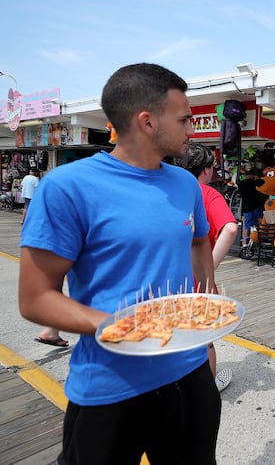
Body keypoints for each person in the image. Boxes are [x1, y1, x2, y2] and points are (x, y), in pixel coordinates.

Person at [18, 63, 221, 464]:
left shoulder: (185, 184)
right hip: (111, 383)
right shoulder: (67, 187)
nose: (191, 130)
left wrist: (208, 296)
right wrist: (119, 326)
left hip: (189, 372)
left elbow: (199, 241)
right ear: (147, 122)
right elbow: (36, 299)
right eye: (184, 119)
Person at [179, 141, 238, 392]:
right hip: (198, 283)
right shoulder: (207, 194)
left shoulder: (170, 190)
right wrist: (209, 266)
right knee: (205, 341)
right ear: (206, 170)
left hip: (165, 280)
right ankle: (208, 390)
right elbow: (231, 227)